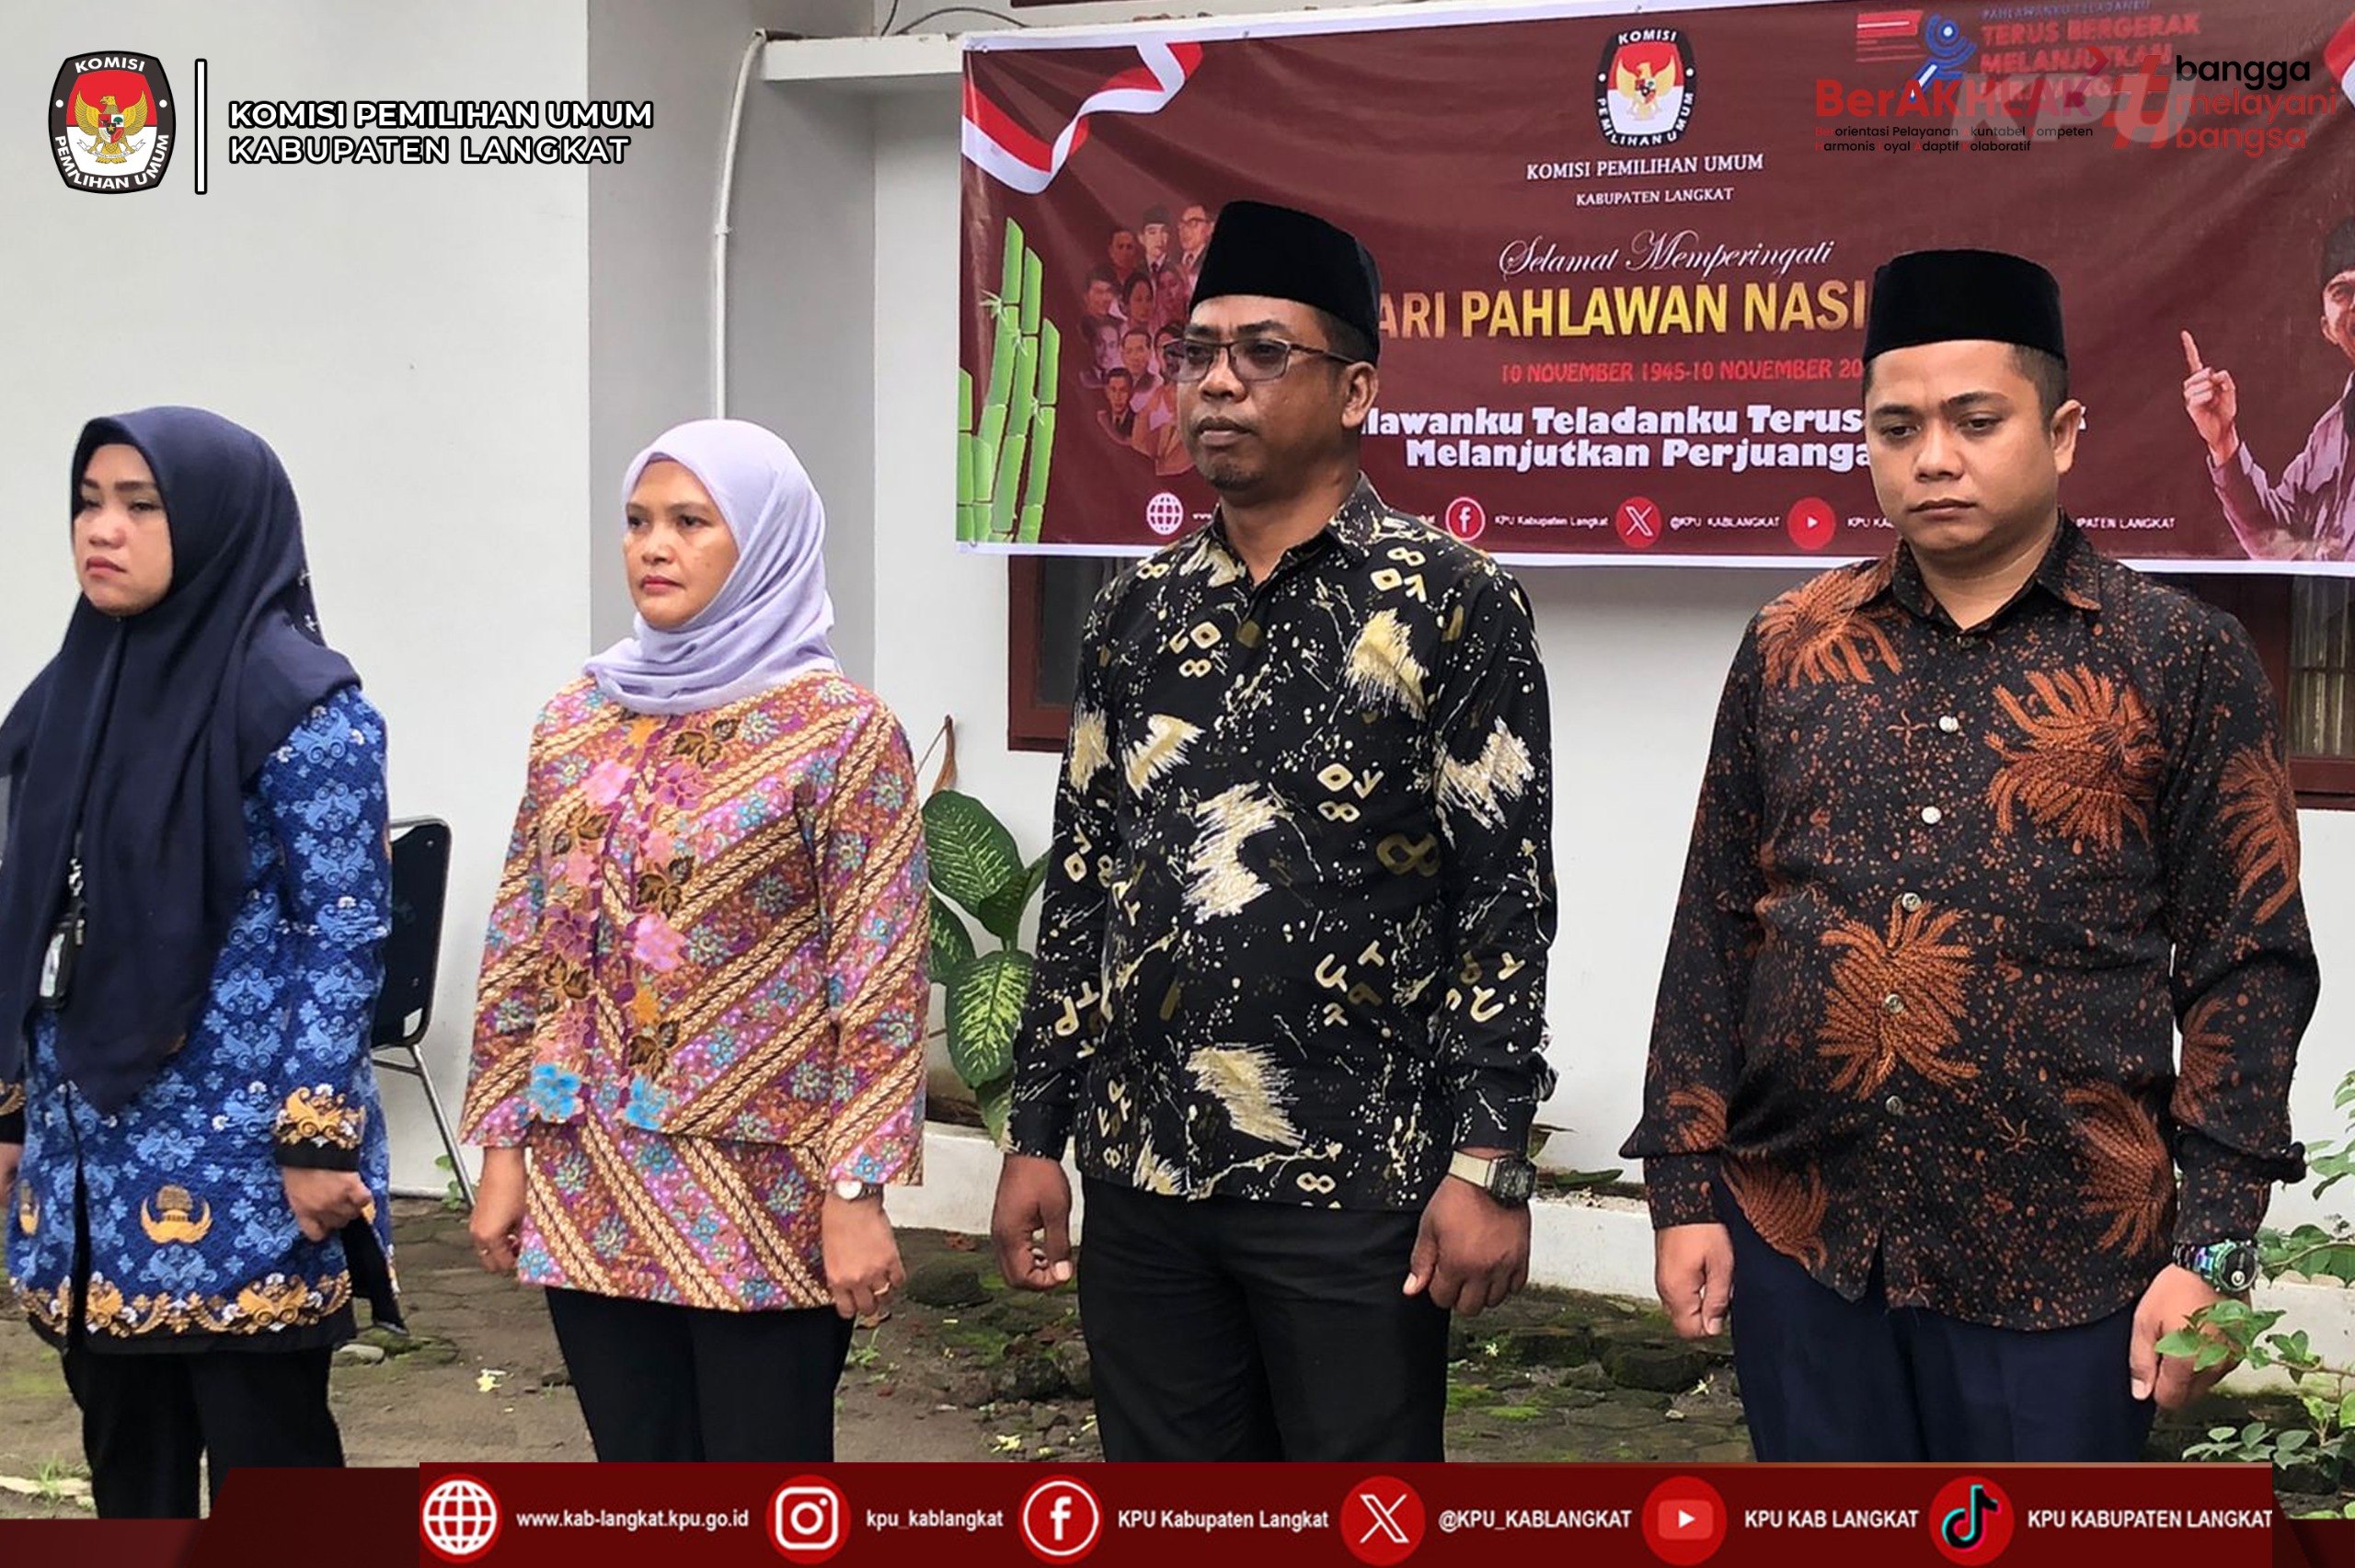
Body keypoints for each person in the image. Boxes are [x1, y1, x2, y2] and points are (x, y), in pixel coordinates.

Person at [1624, 249, 2319, 1463]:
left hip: (2069, 1271)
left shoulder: (2180, 658)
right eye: (1896, 428)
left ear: (2061, 433)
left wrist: (2214, 1251)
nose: (1933, 457)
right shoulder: (1790, 645)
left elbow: (2247, 968)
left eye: (1974, 420)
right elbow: (1716, 923)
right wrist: (1683, 1188)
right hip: (1805, 1244)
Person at [991, 200, 1557, 1462]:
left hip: (1355, 1182)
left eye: (1262, 352)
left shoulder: (1451, 601)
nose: (1217, 384)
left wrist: (1489, 1156)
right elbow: (1083, 880)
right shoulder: (1133, 610)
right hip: (1144, 1175)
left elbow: (1504, 899)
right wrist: (1036, 1135)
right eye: (1196, 354)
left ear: (1355, 390)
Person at [460, 419, 927, 1464]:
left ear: (764, 541)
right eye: (637, 522)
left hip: (761, 1190)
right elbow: (522, 945)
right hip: (588, 1174)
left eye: (690, 522)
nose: (654, 547)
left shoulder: (841, 732)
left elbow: (882, 974)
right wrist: (502, 1149)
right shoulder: (576, 719)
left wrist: (856, 1189)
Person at [0, 406, 400, 1518]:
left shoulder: (303, 708)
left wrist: (315, 1137)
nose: (103, 529)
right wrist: (10, 1113)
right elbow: (26, 915)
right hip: (89, 1166)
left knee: (271, 1465)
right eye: (89, 502)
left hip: (245, 1160)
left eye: (141, 505)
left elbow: (344, 932)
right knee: (128, 1468)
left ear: (219, 524)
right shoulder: (67, 694)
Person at [2183, 218, 2355, 561]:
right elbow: (2275, 541)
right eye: (2342, 291)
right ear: (2326, 328)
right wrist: (2224, 443)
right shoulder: (2329, 433)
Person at [1097, 368, 1139, 443]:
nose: (1117, 397)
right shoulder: (1102, 418)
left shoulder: (1138, 423)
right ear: (1107, 393)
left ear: (1131, 393)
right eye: (1113, 390)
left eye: (1123, 390)